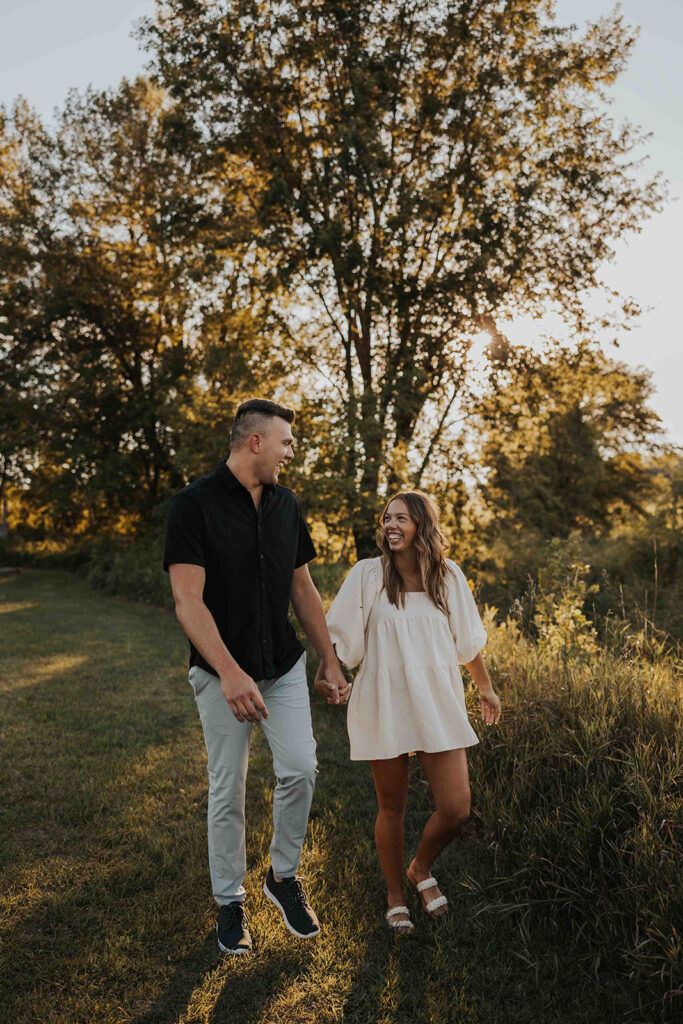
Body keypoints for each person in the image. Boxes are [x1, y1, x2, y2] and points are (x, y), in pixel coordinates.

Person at [164, 398, 348, 954]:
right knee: (229, 788)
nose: (291, 453)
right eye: (286, 443)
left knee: (301, 769)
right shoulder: (192, 505)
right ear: (255, 443)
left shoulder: (287, 505)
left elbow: (303, 588)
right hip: (222, 672)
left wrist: (329, 658)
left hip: (283, 666)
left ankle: (282, 876)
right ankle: (230, 902)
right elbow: (186, 601)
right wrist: (228, 672)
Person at [315, 490, 501, 934]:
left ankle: (421, 867)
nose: (391, 525)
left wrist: (485, 688)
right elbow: (337, 638)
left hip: (438, 701)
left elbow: (467, 641)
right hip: (386, 701)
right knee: (391, 806)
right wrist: (330, 671)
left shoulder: (448, 576)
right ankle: (395, 893)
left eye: (402, 518)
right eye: (387, 518)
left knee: (456, 808)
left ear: (423, 525)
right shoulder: (367, 575)